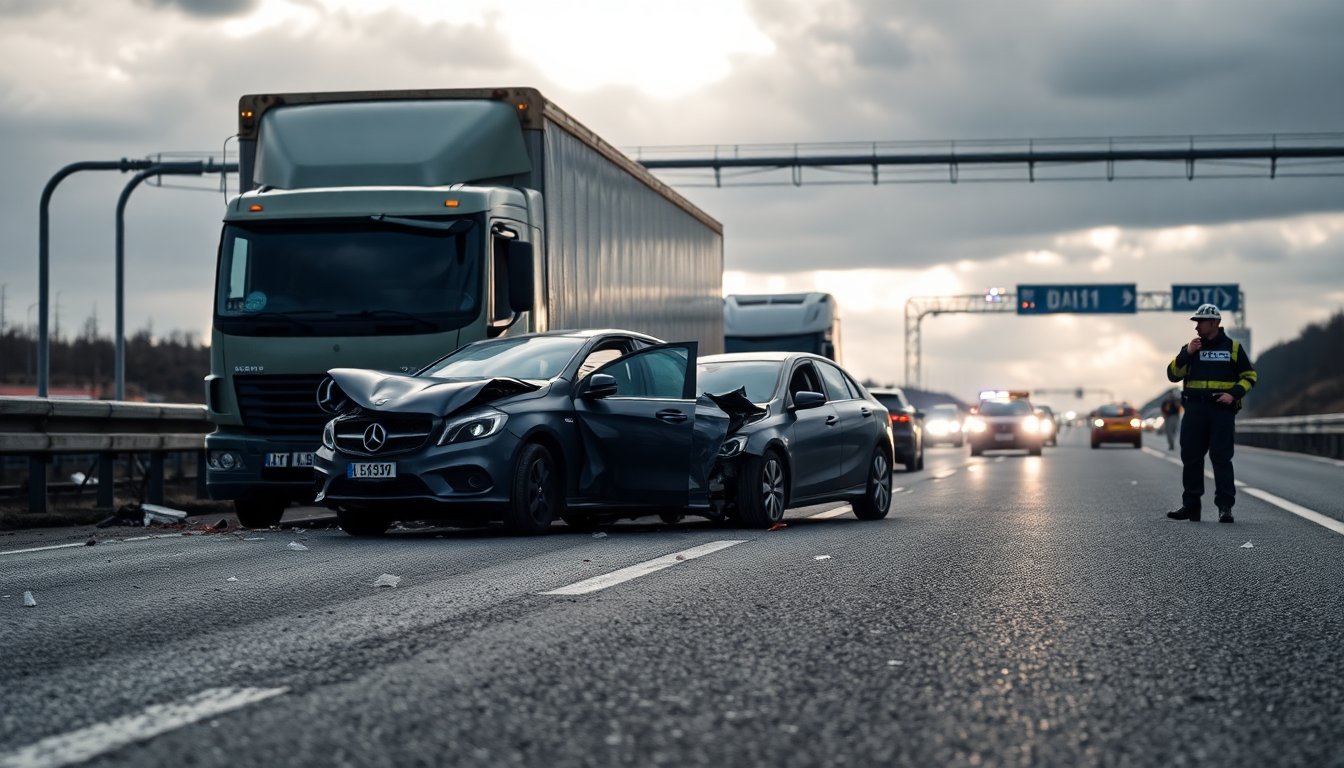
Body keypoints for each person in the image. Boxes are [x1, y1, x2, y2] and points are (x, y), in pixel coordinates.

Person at [1164, 304, 1257, 523]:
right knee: (1191, 457)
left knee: (1221, 458)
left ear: (1214, 323)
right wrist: (1187, 353)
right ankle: (1191, 506)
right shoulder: (1191, 348)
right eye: (1195, 322)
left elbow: (1249, 376)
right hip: (1195, 408)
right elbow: (1172, 375)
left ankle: (1225, 507)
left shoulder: (1233, 348)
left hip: (1221, 410)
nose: (1196, 327)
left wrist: (1233, 394)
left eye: (1200, 322)